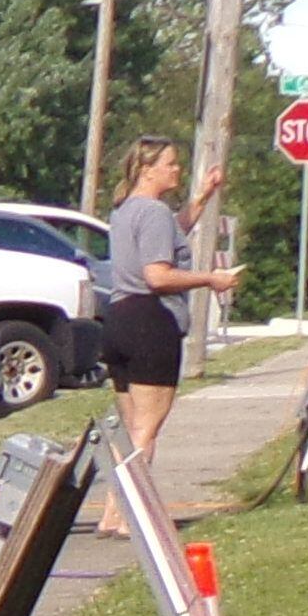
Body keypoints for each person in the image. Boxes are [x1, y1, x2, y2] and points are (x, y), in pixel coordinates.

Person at [93, 136, 232, 508]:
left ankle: (113, 512)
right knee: (145, 430)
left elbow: (172, 233)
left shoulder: (124, 210)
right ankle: (130, 515)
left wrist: (202, 197)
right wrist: (210, 278)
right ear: (146, 169)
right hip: (150, 322)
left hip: (119, 318)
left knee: (132, 428)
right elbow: (158, 275)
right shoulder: (153, 212)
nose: (177, 169)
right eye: (170, 163)